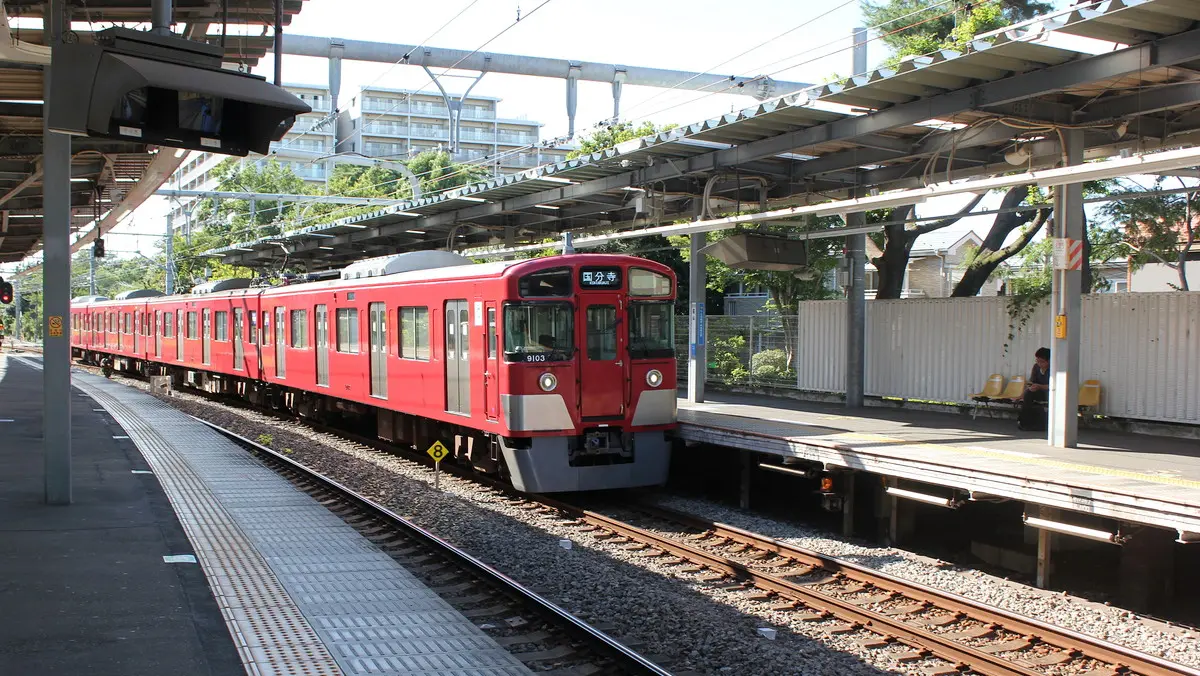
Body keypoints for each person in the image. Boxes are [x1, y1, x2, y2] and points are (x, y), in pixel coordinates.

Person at [1014, 347, 1051, 431]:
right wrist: (1027, 390)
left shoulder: (1053, 369)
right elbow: (1032, 382)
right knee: (1028, 394)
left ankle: (1026, 421)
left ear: (1049, 361)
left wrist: (1040, 386)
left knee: (1029, 395)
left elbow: (1054, 385)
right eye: (1037, 361)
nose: (1039, 364)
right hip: (1037, 392)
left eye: (1042, 362)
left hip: (1049, 393)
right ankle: (1025, 421)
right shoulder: (1036, 368)